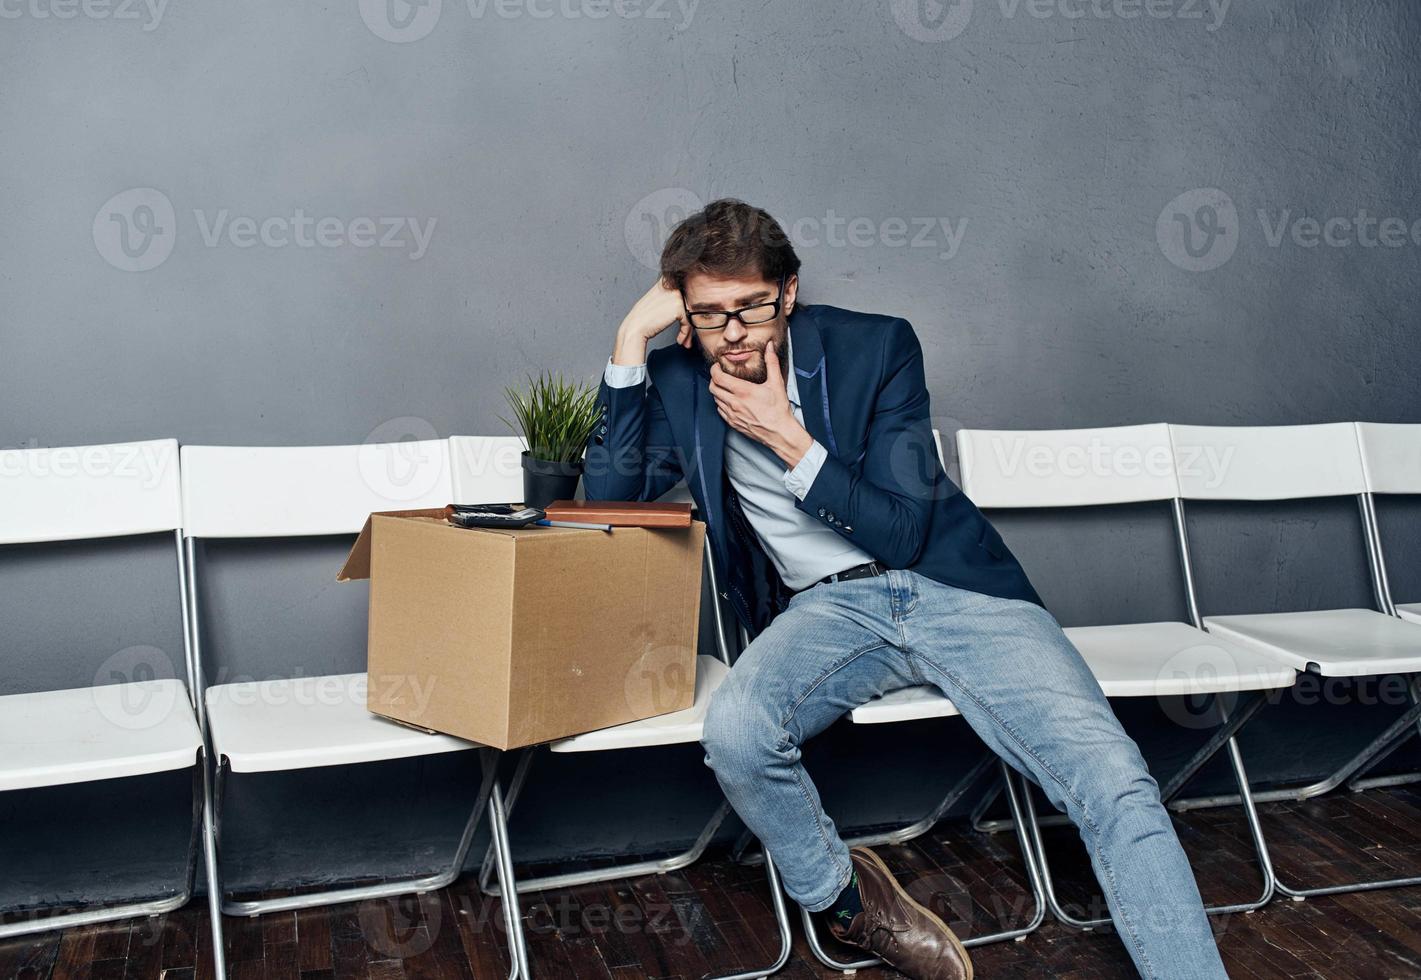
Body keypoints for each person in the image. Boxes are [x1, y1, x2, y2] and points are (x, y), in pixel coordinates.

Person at [583, 198, 1228, 980]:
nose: (732, 334)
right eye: (708, 314)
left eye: (749, 308)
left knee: (1114, 781)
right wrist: (627, 340)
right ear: (682, 311)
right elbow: (604, 498)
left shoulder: (876, 347)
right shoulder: (682, 375)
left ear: (787, 291)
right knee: (740, 736)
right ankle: (848, 901)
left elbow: (900, 532)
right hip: (826, 610)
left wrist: (781, 435)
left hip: (957, 592)